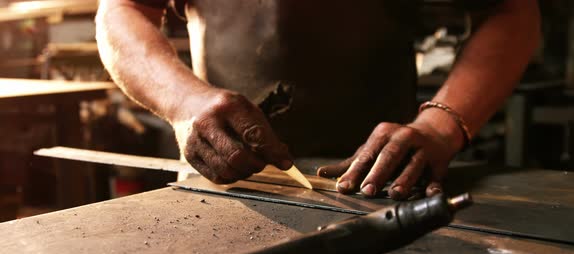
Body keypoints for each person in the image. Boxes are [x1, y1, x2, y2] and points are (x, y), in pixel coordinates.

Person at [96, 0, 540, 199]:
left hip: (383, 184)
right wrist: (184, 103)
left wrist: (440, 125)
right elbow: (122, 8)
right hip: (228, 182)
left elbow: (510, 9)